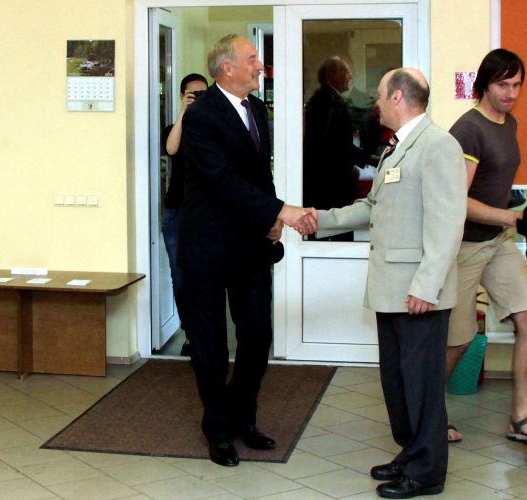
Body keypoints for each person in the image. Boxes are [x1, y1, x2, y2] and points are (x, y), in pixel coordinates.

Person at [304, 68, 467, 498]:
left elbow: (448, 224)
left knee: (422, 386)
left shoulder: (438, 145)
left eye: (380, 96)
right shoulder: (397, 148)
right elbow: (372, 206)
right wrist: (319, 219)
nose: (375, 105)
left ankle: (428, 472)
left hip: (417, 293)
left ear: (398, 97)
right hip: (392, 289)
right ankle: (411, 453)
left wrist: (426, 286)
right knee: (397, 383)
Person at [178, 34, 311, 467]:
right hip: (208, 248)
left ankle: (242, 417)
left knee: (256, 336)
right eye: (252, 58)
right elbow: (222, 181)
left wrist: (272, 220)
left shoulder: (256, 109)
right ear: (227, 67)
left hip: (251, 246)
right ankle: (217, 430)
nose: (260, 66)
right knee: (211, 345)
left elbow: (258, 176)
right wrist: (280, 210)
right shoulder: (202, 116)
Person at [445, 48, 527, 447]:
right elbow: (457, 200)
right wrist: (515, 218)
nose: (511, 93)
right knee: (457, 340)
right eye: (502, 85)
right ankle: (425, 415)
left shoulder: (508, 123)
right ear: (483, 85)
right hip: (463, 246)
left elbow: (494, 187)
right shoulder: (468, 129)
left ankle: (521, 418)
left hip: (497, 240)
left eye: (517, 85)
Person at [161, 72, 208, 357]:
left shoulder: (212, 125)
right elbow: (171, 148)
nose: (198, 98)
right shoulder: (175, 127)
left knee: (205, 277)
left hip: (206, 213)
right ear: (182, 96)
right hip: (177, 211)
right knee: (180, 278)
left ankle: (206, 335)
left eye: (204, 94)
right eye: (193, 94)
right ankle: (190, 334)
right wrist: (183, 113)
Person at [303, 56, 366, 240]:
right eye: (345, 72)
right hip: (330, 182)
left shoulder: (322, 98)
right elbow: (333, 144)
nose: (350, 76)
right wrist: (362, 161)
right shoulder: (330, 102)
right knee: (338, 231)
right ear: (332, 75)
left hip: (322, 180)